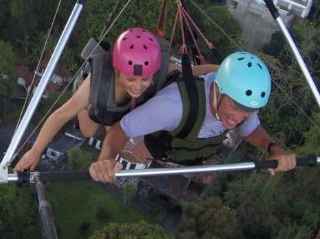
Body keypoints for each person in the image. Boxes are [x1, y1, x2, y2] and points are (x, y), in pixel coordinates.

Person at [15, 27, 215, 172]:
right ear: (117, 71)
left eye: (145, 79)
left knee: (120, 131)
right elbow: (60, 116)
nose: (138, 85)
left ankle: (114, 122)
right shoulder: (97, 83)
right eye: (130, 78)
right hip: (98, 106)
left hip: (124, 110)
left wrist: (224, 71)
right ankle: (87, 103)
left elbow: (195, 73)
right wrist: (36, 150)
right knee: (88, 130)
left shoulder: (161, 70)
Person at [88, 51, 296, 182]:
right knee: (91, 126)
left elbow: (250, 128)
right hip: (156, 143)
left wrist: (274, 148)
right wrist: (105, 160)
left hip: (188, 153)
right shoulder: (173, 106)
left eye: (248, 111)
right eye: (234, 106)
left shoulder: (240, 107)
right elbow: (122, 128)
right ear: (217, 88)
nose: (239, 117)